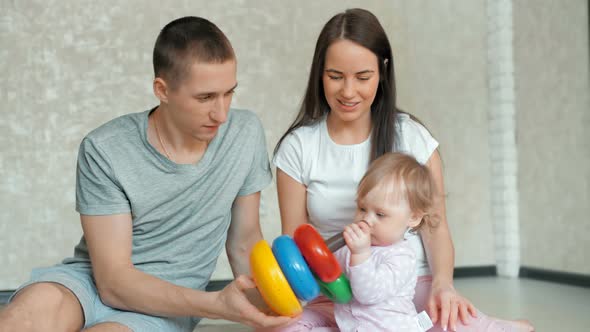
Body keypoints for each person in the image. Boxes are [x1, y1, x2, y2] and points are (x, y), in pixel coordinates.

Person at [0, 16, 291, 332]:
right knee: (21, 319)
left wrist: (272, 312)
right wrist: (217, 305)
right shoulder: (105, 148)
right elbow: (112, 282)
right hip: (89, 281)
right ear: (162, 90)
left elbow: (245, 241)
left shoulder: (244, 133)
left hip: (167, 303)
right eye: (205, 97)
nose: (221, 113)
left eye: (229, 93)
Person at [272, 8, 534, 332]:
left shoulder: (411, 138)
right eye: (335, 76)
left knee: (460, 323)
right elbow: (296, 240)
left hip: (407, 285)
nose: (348, 91)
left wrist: (443, 285)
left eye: (363, 77)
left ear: (382, 71)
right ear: (319, 74)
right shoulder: (298, 148)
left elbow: (436, 226)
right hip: (335, 291)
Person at [332, 152, 438, 332]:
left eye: (380, 214)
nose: (366, 219)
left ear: (413, 217)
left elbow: (368, 294)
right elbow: (331, 270)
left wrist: (360, 254)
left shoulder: (402, 257)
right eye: (362, 208)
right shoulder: (355, 245)